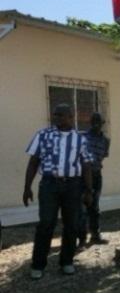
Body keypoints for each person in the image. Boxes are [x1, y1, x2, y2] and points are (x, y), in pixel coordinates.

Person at [23, 104, 93, 280]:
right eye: (56, 115)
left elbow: (86, 166)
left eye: (62, 115)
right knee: (46, 224)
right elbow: (33, 162)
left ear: (71, 117)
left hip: (73, 186)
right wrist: (27, 187)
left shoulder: (80, 139)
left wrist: (89, 191)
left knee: (71, 224)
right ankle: (38, 265)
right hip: (49, 185)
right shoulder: (43, 135)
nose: (58, 118)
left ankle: (67, 262)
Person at [78, 112, 110, 246]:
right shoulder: (82, 137)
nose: (96, 124)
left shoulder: (106, 141)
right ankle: (81, 238)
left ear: (103, 124)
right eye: (94, 121)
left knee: (95, 207)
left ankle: (95, 235)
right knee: (81, 208)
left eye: (99, 122)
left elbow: (103, 156)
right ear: (90, 123)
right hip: (81, 176)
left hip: (96, 175)